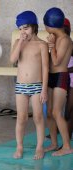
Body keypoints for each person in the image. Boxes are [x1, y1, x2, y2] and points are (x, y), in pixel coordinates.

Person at [9, 10, 49, 160]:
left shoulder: (42, 45)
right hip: (21, 86)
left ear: (34, 27)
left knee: (38, 117)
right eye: (20, 29)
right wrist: (20, 42)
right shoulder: (18, 43)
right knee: (21, 118)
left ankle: (40, 147)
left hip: (37, 86)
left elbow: (46, 68)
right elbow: (13, 60)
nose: (23, 32)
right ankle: (19, 146)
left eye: (26, 28)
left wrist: (44, 89)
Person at [43, 7, 73, 156]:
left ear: (50, 26)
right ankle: (54, 143)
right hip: (51, 77)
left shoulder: (65, 39)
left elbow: (56, 61)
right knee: (49, 112)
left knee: (56, 112)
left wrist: (51, 45)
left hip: (61, 76)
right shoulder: (56, 38)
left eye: (46, 26)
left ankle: (67, 146)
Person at [62, 18, 73, 140]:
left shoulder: (71, 45)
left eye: (66, 31)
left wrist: (65, 70)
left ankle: (67, 138)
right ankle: (62, 131)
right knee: (63, 110)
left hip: (71, 80)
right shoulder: (58, 45)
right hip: (66, 79)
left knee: (69, 110)